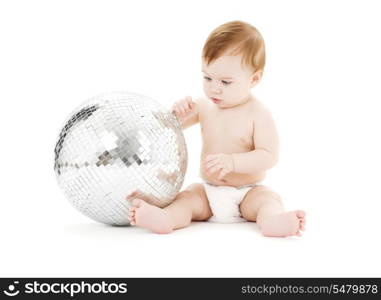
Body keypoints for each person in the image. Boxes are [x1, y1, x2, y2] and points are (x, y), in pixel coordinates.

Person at [127, 20, 306, 237]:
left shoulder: (258, 114)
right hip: (208, 191)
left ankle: (272, 223)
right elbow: (171, 128)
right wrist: (176, 114)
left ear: (254, 79)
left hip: (247, 192)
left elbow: (269, 156)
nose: (214, 88)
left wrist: (233, 162)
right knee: (187, 199)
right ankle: (166, 219)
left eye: (226, 82)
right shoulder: (205, 105)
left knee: (268, 200)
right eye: (208, 77)